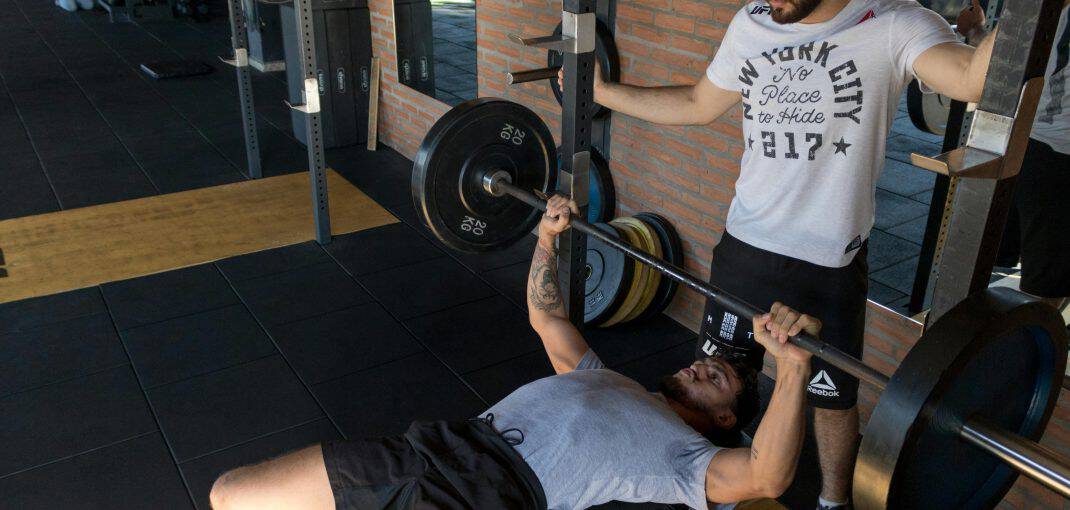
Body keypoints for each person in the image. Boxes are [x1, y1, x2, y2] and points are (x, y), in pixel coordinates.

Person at [559, 0, 995, 507]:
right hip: (744, 248)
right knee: (714, 376)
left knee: (832, 398)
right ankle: (719, 480)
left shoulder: (893, 23)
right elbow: (698, 103)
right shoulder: (753, 22)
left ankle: (833, 501)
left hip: (828, 263)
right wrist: (602, 91)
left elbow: (969, 79)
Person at [208, 195, 822, 510]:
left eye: (713, 379)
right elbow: (545, 315)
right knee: (231, 494)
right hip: (432, 447)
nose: (697, 364)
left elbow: (768, 474)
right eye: (703, 360)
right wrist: (547, 238)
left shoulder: (688, 463)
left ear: (723, 421)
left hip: (488, 497)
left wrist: (792, 368)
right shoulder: (606, 379)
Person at [992, 1, 1070, 319]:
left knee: (1045, 277)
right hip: (1051, 154)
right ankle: (1023, 351)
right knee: (1044, 286)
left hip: (1035, 145)